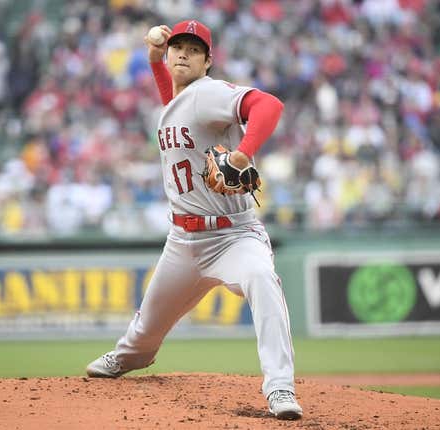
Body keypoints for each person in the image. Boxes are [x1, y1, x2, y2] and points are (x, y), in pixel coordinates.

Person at [85, 20, 302, 420]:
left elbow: (269, 106)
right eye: (178, 47)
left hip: (234, 236)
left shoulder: (208, 93)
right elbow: (173, 98)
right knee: (145, 331)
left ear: (207, 62)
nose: (184, 53)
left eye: (194, 49)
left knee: (262, 280)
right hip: (183, 242)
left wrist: (242, 154)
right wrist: (154, 58)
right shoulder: (174, 103)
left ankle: (280, 388)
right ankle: (129, 356)